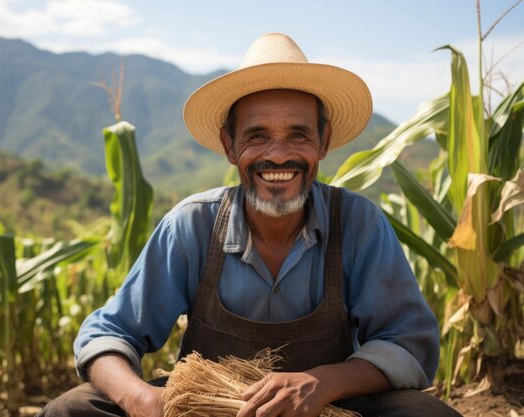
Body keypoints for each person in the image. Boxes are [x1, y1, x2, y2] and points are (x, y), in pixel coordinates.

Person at [39, 33, 461, 417]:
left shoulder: (358, 224)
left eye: (298, 134)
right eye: (257, 136)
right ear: (229, 145)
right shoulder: (192, 226)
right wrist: (140, 399)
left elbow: (409, 344)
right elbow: (107, 334)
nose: (278, 155)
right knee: (71, 410)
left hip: (331, 411)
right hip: (208, 409)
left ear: (324, 141)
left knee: (428, 415)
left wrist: (323, 383)